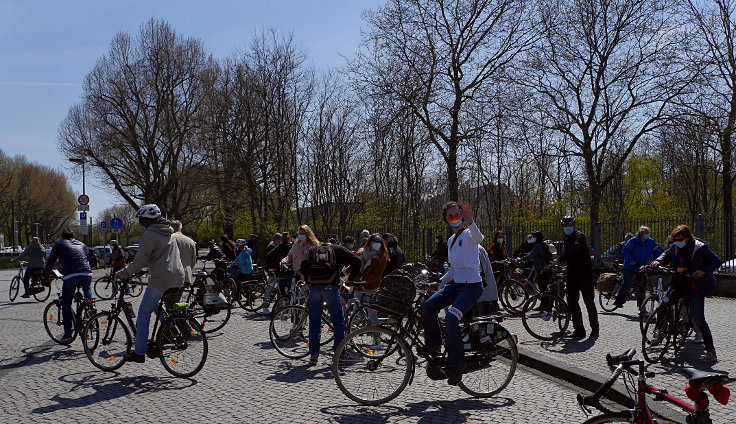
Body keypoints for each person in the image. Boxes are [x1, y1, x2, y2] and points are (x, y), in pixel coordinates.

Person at [422, 201, 484, 385]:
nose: (454, 218)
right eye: (450, 216)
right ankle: (434, 348)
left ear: (462, 215)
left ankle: (457, 365)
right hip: (455, 285)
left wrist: (471, 221)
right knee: (427, 306)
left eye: (457, 214)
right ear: (446, 219)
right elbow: (453, 269)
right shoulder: (450, 241)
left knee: (451, 318)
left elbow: (479, 238)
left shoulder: (469, 234)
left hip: (471, 287)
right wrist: (439, 283)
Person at [115, 204, 185, 363]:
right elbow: (161, 257)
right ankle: (168, 330)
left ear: (147, 220)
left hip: (160, 279)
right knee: (155, 305)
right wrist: (148, 269)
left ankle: (139, 352)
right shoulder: (170, 232)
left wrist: (122, 274)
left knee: (143, 313)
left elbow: (139, 260)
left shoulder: (149, 234)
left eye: (142, 220)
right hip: (177, 277)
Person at [649, 225, 722, 363]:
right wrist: (658, 260)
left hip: (694, 286)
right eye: (674, 239)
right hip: (678, 282)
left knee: (699, 319)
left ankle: (711, 352)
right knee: (664, 304)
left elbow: (717, 261)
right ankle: (660, 333)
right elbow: (666, 253)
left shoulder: (700, 248)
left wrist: (703, 270)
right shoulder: (676, 246)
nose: (676, 242)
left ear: (687, 239)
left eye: (679, 239)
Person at [300, 235, 361, 365]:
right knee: (338, 323)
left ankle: (314, 355)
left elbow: (303, 265)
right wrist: (351, 279)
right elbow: (357, 261)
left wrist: (307, 280)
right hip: (331, 289)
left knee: (314, 323)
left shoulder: (312, 250)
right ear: (334, 242)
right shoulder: (338, 250)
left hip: (314, 289)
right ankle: (339, 353)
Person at [42, 229, 92, 343]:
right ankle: (90, 308)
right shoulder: (82, 244)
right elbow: (85, 259)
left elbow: (50, 261)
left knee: (66, 303)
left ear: (62, 237)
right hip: (87, 273)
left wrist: (45, 276)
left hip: (71, 275)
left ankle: (68, 333)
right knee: (87, 288)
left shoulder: (59, 244)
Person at [554, 216, 599, 339]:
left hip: (584, 274)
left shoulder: (580, 236)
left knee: (588, 302)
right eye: (565, 226)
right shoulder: (566, 238)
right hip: (572, 274)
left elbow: (574, 251)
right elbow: (567, 254)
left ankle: (595, 329)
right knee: (572, 303)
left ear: (573, 226)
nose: (567, 228)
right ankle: (579, 330)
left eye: (569, 226)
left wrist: (559, 259)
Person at [614, 226, 662, 308]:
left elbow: (657, 252)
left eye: (648, 234)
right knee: (627, 283)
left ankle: (641, 306)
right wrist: (630, 260)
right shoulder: (633, 241)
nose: (647, 235)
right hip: (630, 266)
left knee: (642, 286)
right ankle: (618, 301)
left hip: (641, 266)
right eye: (645, 234)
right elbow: (625, 251)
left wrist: (659, 261)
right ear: (640, 234)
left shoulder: (650, 242)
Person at [352, 233, 389, 336]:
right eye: (375, 240)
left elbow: (377, 275)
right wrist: (344, 273)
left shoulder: (382, 256)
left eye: (379, 241)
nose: (377, 243)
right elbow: (355, 265)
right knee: (356, 309)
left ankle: (377, 337)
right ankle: (363, 328)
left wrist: (363, 280)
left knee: (372, 313)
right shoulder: (362, 252)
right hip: (359, 286)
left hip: (371, 287)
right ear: (370, 241)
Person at [171, 220, 197, 288]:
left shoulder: (167, 238)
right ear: (181, 228)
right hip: (186, 276)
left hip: (170, 275)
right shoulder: (190, 241)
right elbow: (193, 262)